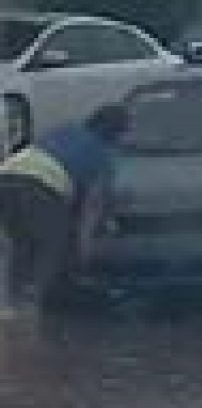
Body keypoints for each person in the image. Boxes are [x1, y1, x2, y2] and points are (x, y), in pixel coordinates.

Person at [0, 105, 130, 306]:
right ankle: (34, 300)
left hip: (6, 177)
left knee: (22, 243)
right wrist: (84, 244)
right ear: (116, 133)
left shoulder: (65, 129)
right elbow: (92, 206)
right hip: (41, 187)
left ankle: (12, 302)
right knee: (53, 245)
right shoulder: (102, 156)